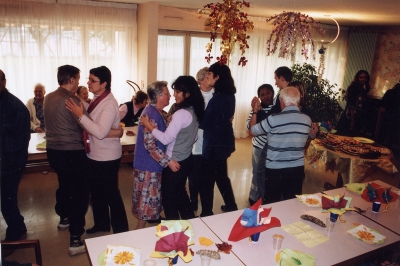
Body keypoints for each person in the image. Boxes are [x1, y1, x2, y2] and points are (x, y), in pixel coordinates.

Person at [65, 66, 128, 235]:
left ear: (104, 84)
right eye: (89, 79)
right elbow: (93, 116)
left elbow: (100, 132)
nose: (88, 83)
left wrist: (80, 115)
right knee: (98, 193)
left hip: (107, 157)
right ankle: (101, 224)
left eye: (93, 80)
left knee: (111, 194)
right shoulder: (97, 99)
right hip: (95, 154)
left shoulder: (109, 103)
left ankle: (121, 229)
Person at [141, 76, 204, 220]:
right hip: (186, 160)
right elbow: (193, 137)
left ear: (187, 94)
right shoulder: (193, 110)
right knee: (181, 197)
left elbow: (165, 138)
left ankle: (173, 235)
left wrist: (148, 125)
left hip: (174, 164)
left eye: (177, 91)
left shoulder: (181, 114)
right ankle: (190, 227)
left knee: (170, 204)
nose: (174, 94)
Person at [249, 87, 316, 204]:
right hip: (297, 169)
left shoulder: (273, 119)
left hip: (275, 168)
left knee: (272, 202)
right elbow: (310, 136)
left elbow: (252, 131)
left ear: (281, 101)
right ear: (298, 101)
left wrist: (255, 111)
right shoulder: (307, 119)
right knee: (291, 203)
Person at [132, 81, 178, 229]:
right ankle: (135, 240)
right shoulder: (150, 114)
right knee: (145, 208)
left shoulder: (155, 112)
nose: (169, 95)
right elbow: (150, 146)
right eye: (166, 93)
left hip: (150, 166)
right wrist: (168, 162)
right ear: (158, 96)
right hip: (148, 168)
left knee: (146, 207)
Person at [198, 62, 238, 217]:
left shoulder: (218, 98)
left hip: (214, 144)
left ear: (217, 77)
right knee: (221, 176)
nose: (207, 77)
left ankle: (207, 212)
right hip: (223, 142)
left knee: (207, 180)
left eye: (210, 75)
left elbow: (205, 122)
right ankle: (231, 205)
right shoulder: (229, 95)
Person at [0, 69, 30, 241]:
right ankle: (18, 225)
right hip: (4, 160)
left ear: (4, 82)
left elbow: (20, 140)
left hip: (11, 162)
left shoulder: (15, 107)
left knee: (7, 200)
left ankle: (15, 231)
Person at [245, 84, 274, 206]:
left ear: (273, 93)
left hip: (272, 148)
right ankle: (254, 197)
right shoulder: (256, 109)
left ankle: (265, 196)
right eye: (262, 94)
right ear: (259, 97)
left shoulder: (277, 108)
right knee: (257, 173)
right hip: (259, 147)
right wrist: (255, 111)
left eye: (268, 93)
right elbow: (248, 127)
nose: (266, 96)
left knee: (269, 174)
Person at [336, 70, 371, 137]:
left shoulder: (363, 90)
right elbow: (351, 105)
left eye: (365, 78)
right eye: (361, 77)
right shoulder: (353, 88)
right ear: (358, 78)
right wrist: (352, 122)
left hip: (357, 118)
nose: (363, 79)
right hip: (349, 117)